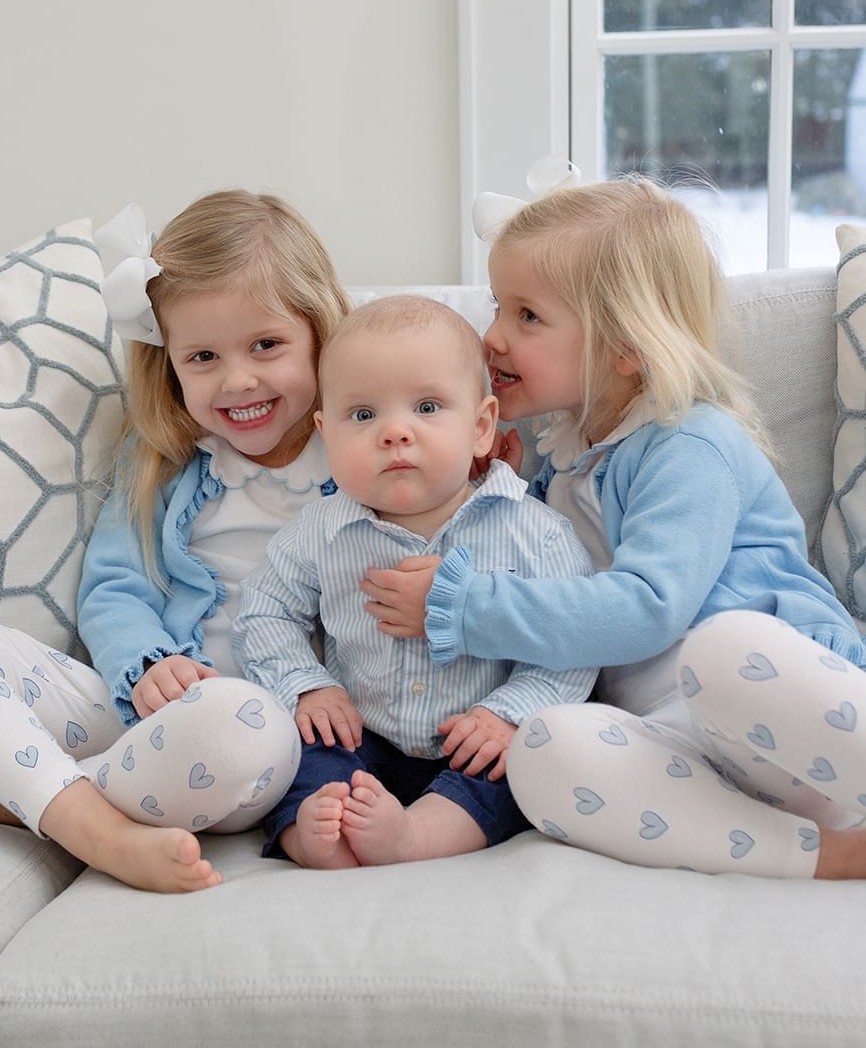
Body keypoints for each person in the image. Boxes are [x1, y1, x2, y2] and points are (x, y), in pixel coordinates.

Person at [363, 173, 866, 929]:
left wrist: (462, 603)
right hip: (686, 750)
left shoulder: (690, 442)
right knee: (544, 751)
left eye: (527, 315)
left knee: (723, 648)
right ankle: (842, 858)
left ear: (625, 347)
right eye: (495, 306)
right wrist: (497, 493)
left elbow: (650, 609)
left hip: (786, 721)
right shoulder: (563, 461)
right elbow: (559, 598)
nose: (493, 336)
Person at [0, 189, 351, 893]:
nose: (238, 378)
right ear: (170, 364)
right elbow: (116, 587)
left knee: (239, 722)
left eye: (267, 345)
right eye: (203, 357)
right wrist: (147, 663)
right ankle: (91, 824)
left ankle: (21, 791)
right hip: (134, 705)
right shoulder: (165, 458)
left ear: (320, 332)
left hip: (253, 737)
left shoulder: (359, 457)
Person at [233, 296, 597, 869]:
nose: (395, 433)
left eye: (427, 407)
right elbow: (264, 613)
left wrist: (510, 713)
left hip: (474, 736)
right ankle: (314, 833)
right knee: (303, 749)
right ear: (326, 434)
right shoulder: (320, 534)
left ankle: (415, 836)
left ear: (481, 427)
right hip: (362, 730)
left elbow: (572, 637)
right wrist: (307, 686)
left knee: (514, 770)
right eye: (362, 416)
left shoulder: (534, 532)